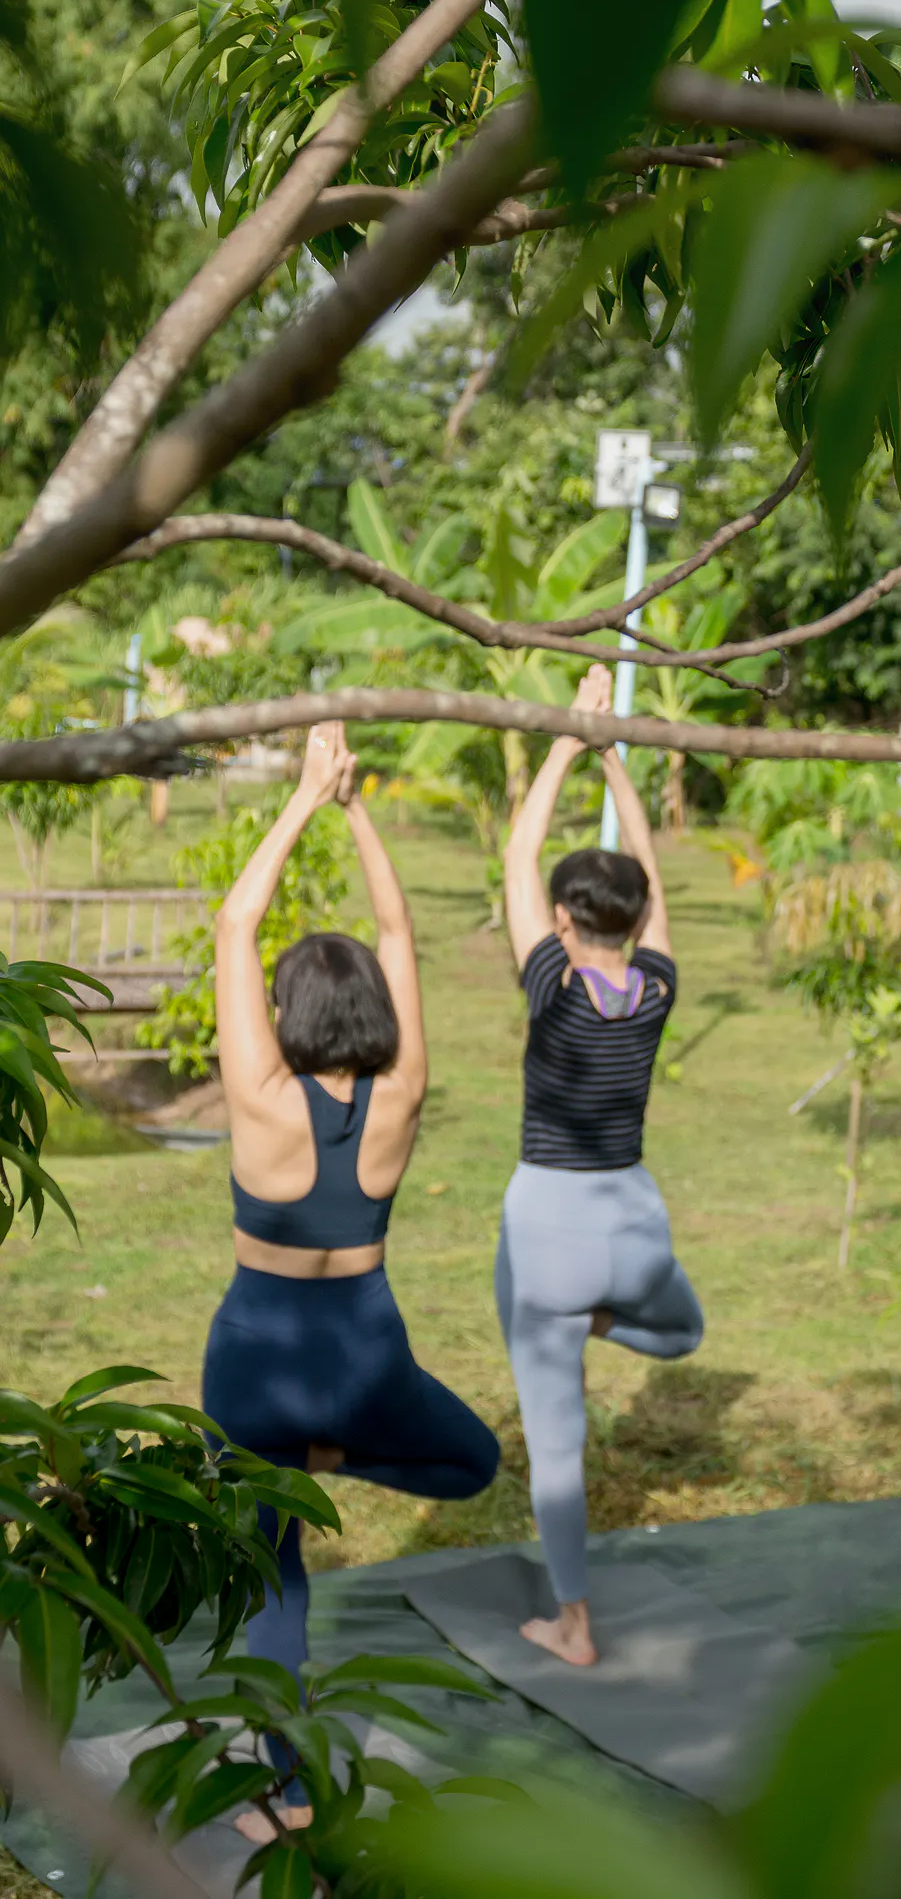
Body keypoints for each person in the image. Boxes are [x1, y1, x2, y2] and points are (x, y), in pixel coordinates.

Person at [202, 723, 499, 1836]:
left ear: (288, 1015)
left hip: (255, 1357)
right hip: (369, 1353)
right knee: (474, 1462)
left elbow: (237, 921)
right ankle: (337, 1453)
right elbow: (395, 928)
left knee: (276, 1578)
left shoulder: (261, 1098)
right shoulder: (404, 1088)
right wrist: (355, 803)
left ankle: (278, 1795)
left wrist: (300, 795)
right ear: (369, 1010)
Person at [499, 664, 704, 1667]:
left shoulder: (551, 985)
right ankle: (607, 1318)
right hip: (634, 1223)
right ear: (633, 919)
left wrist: (561, 739)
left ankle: (571, 1619)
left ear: (566, 922)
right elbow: (651, 872)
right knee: (688, 1327)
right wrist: (613, 749)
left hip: (547, 1227)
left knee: (558, 1444)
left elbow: (520, 848)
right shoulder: (655, 989)